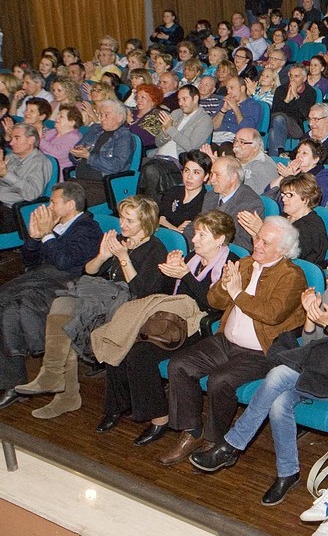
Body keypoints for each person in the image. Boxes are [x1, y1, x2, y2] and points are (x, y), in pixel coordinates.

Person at [189, 245, 328, 506]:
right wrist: (310, 317)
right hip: (312, 367)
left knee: (280, 373)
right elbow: (308, 344)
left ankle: (232, 445)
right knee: (280, 403)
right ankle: (287, 473)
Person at [157, 216, 307, 466]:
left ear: (282, 250)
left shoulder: (292, 276)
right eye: (257, 238)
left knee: (220, 380)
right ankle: (192, 431)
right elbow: (214, 302)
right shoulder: (246, 263)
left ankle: (216, 440)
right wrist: (225, 286)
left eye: (265, 243)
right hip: (226, 341)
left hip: (261, 351)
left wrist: (237, 292)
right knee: (179, 365)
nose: (257, 244)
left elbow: (271, 315)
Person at [15, 196, 169, 419]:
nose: (122, 224)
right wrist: (103, 255)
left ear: (145, 223)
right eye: (122, 218)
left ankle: (64, 392)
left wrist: (123, 258)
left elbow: (142, 292)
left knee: (67, 318)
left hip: (130, 308)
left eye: (129, 220)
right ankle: (55, 379)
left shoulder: (155, 249)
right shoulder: (118, 239)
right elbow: (89, 271)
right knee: (62, 306)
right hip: (102, 298)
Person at [97, 210, 237, 446]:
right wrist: (173, 272)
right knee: (121, 338)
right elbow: (170, 294)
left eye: (201, 235)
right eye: (195, 234)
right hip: (171, 318)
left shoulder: (230, 264)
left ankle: (159, 418)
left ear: (220, 239)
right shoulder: (193, 257)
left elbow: (215, 305)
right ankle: (117, 406)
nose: (193, 240)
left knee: (140, 355)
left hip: (198, 327)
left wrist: (186, 275)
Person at [0, 182, 102, 410]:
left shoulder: (88, 229)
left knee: (12, 305)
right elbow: (30, 261)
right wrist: (34, 238)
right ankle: (12, 380)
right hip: (41, 277)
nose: (49, 206)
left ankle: (13, 382)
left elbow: (65, 261)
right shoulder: (57, 226)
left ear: (70, 205)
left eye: (53, 202)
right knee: (4, 302)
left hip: (66, 283)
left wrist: (46, 235)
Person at [139, 84, 213, 200]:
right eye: (179, 100)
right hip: (158, 157)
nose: (181, 103)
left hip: (178, 162)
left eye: (184, 99)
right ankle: (140, 205)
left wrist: (170, 129)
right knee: (139, 163)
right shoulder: (176, 113)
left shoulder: (204, 120)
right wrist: (165, 133)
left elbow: (190, 146)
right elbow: (158, 142)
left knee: (150, 170)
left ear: (195, 99)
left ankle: (150, 210)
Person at [242, 173, 328, 268]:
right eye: (283, 194)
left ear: (306, 199)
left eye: (290, 195)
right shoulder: (284, 217)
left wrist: (261, 230)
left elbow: (287, 255)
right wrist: (256, 236)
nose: (283, 199)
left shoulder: (311, 227)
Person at [190, 155, 265, 251]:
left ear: (233, 177)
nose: (212, 180)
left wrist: (210, 244)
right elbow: (199, 224)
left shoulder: (250, 203)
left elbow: (244, 244)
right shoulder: (211, 196)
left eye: (217, 175)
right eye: (212, 174)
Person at [69, 99, 136, 206]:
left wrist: (88, 156)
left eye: (106, 115)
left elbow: (116, 165)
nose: (101, 118)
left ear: (119, 117)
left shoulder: (124, 137)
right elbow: (72, 156)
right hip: (79, 180)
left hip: (102, 185)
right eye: (100, 114)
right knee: (56, 197)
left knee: (70, 203)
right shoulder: (95, 129)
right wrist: (77, 154)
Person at [0, 124, 52, 232]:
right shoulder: (12, 157)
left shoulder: (39, 162)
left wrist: (6, 174)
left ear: (31, 140)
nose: (11, 142)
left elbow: (32, 193)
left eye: (17, 138)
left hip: (13, 212)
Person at [158, 150, 212, 232]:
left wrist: (168, 224)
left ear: (205, 177)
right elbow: (160, 218)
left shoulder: (206, 201)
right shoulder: (173, 191)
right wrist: (176, 230)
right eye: (187, 171)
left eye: (196, 172)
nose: (189, 177)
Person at [40, 106, 85, 178]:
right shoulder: (52, 132)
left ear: (71, 122)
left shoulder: (74, 138)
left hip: (56, 173)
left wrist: (40, 140)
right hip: (41, 168)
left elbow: (57, 154)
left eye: (61, 116)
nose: (56, 118)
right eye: (57, 115)